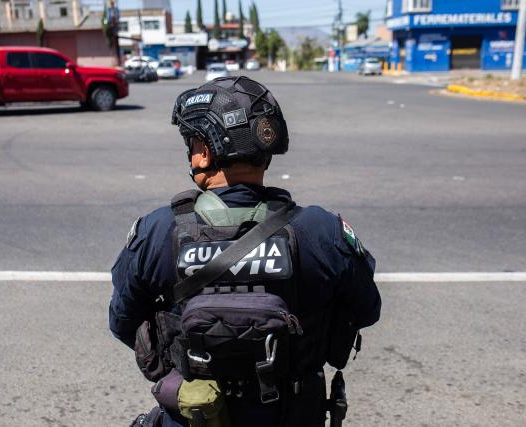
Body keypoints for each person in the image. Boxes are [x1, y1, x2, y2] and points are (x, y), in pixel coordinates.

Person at [109, 76, 381, 427]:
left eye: (193, 142)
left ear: (205, 151)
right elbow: (367, 309)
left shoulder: (158, 231)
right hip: (294, 414)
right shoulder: (321, 231)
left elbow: (122, 321)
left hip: (196, 415)